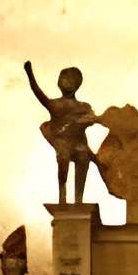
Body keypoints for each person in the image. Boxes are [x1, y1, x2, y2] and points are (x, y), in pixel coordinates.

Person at [24, 61, 102, 203]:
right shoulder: (55, 104)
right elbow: (39, 93)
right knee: (63, 157)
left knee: (84, 157)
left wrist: (91, 119)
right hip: (62, 141)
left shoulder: (84, 106)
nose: (65, 82)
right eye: (62, 79)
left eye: (69, 80)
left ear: (76, 85)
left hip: (79, 142)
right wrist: (30, 75)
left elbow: (93, 117)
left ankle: (78, 198)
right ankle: (62, 196)